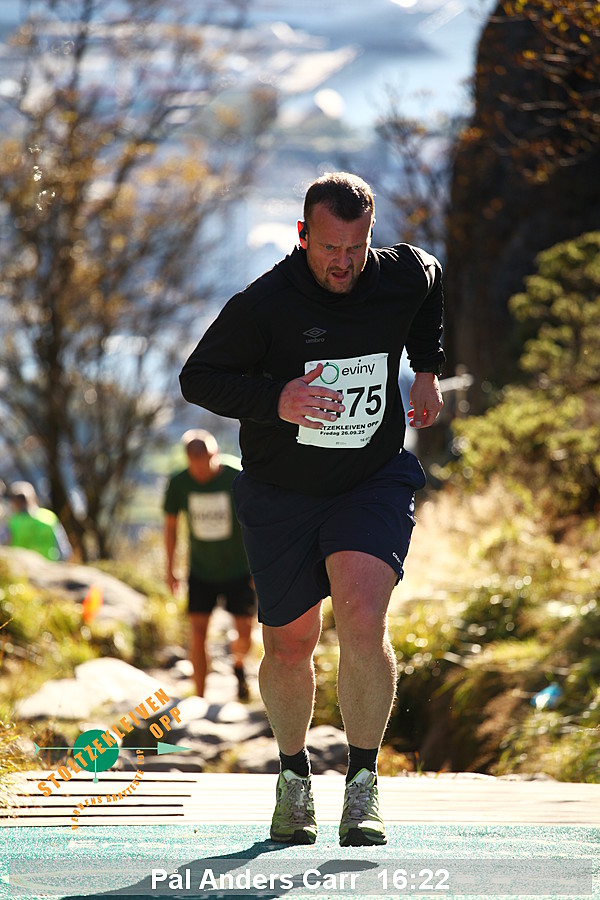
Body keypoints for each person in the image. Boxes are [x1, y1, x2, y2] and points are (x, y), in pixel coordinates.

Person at [179, 172, 445, 846]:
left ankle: (362, 784)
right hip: (282, 494)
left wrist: (426, 369)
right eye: (329, 247)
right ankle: (294, 776)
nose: (343, 263)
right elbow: (198, 378)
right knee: (290, 644)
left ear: (370, 237)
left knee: (362, 615)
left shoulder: (400, 274)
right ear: (303, 236)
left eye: (356, 248)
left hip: (370, 479)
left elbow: (431, 278)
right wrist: (278, 399)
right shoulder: (265, 303)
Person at [163, 429, 256, 701]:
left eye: (205, 464)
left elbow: (256, 523)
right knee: (197, 634)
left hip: (239, 569)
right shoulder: (179, 483)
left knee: (244, 635)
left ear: (215, 456)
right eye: (194, 466)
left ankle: (238, 664)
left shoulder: (236, 476)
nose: (200, 472)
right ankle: (199, 700)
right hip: (201, 570)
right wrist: (170, 569)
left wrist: (258, 567)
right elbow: (171, 527)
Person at [5, 481, 72, 561]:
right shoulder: (49, 517)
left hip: (21, 567)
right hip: (49, 565)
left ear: (15, 503)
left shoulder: (12, 523)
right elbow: (65, 551)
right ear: (34, 498)